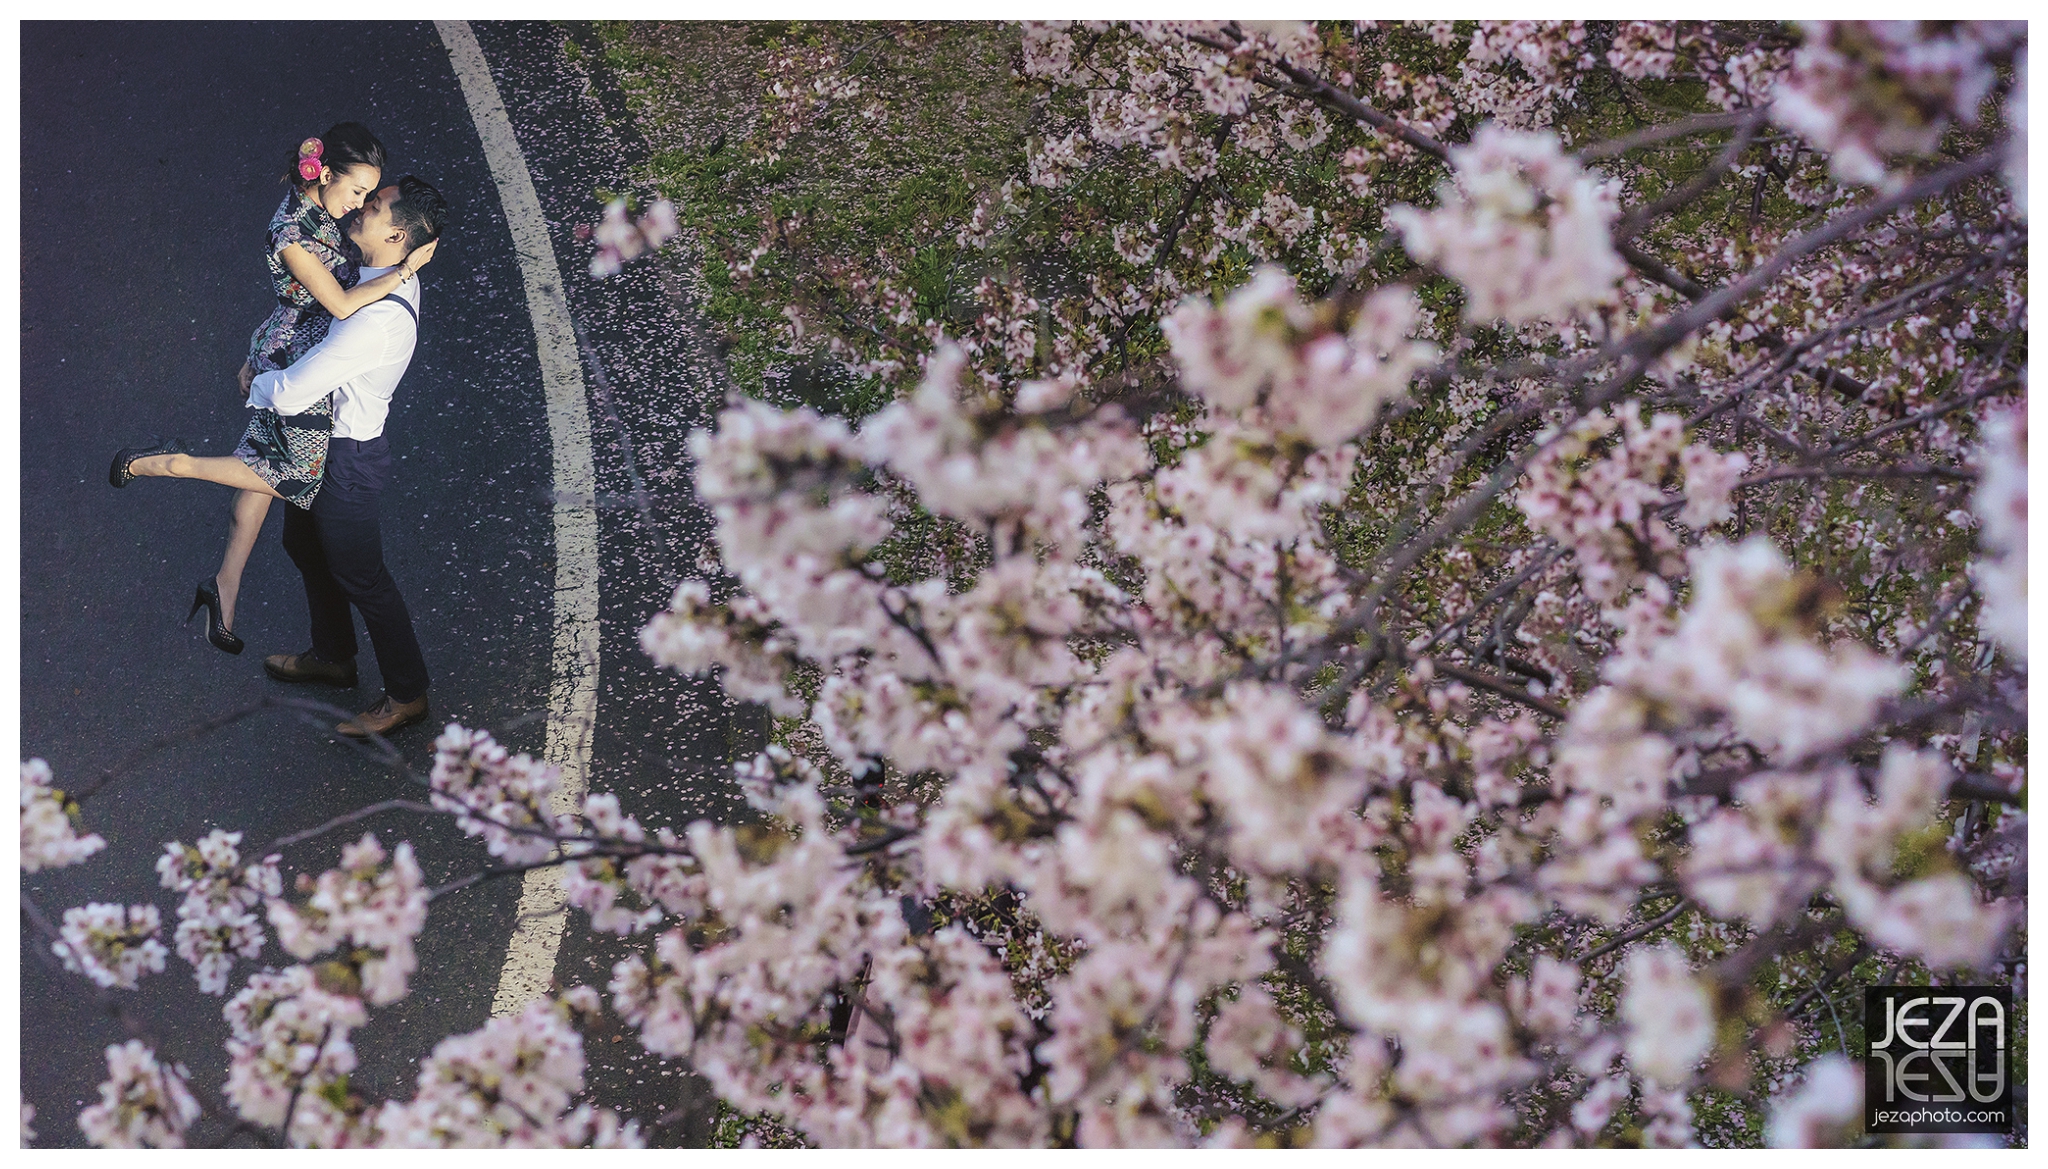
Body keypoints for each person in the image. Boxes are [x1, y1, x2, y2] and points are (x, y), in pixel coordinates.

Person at [126, 176, 448, 737]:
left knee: (363, 577)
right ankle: (333, 656)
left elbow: (295, 391)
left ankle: (406, 693)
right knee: (302, 543)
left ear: (397, 234)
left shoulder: (376, 318)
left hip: (346, 459)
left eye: (372, 207)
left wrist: (257, 380)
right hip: (320, 441)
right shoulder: (376, 277)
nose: (361, 210)